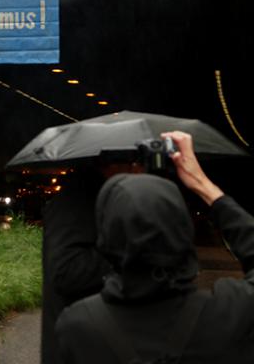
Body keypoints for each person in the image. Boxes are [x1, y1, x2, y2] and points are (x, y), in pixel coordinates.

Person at [50, 131, 254, 364]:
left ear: (106, 239)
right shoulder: (228, 314)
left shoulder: (78, 326)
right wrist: (202, 185)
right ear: (185, 231)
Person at [41, 158, 144, 363]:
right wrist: (132, 254)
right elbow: (66, 271)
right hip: (79, 348)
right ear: (112, 163)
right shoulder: (78, 197)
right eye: (135, 162)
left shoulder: (102, 194)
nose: (140, 170)